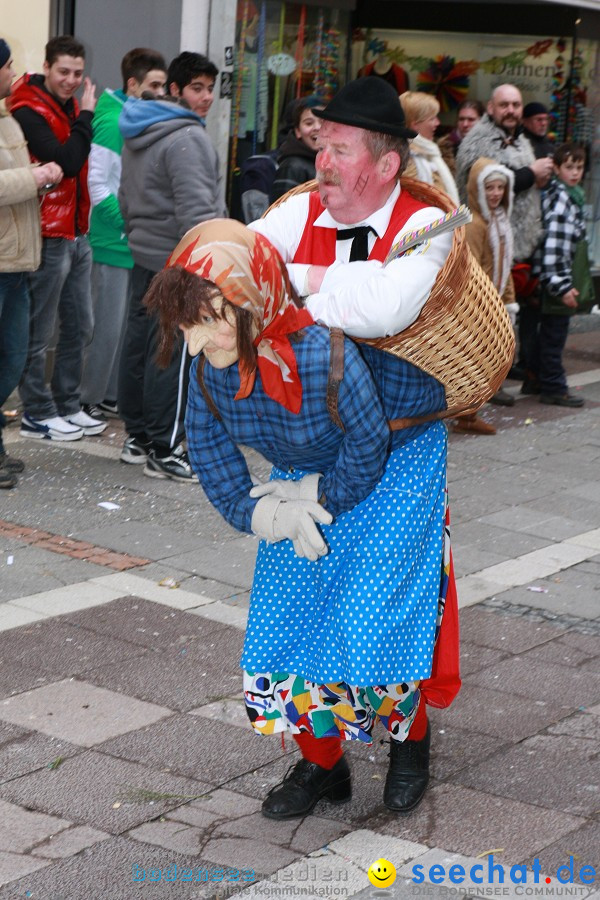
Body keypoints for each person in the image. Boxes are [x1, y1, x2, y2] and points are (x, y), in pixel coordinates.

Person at [145, 217, 460, 822]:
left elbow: (368, 442)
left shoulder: (319, 351)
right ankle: (324, 764)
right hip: (302, 482)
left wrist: (321, 496)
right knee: (288, 621)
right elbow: (213, 460)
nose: (193, 342)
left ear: (253, 300)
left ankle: (410, 744)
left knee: (371, 617)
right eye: (185, 325)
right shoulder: (207, 367)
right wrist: (269, 515)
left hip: (390, 463)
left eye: (209, 319)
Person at [247, 77, 461, 817]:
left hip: (402, 451)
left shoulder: (431, 223)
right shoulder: (296, 210)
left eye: (339, 149)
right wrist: (317, 286)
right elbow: (243, 274)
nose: (324, 162)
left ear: (386, 162)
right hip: (308, 441)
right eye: (321, 144)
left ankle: (411, 744)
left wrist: (296, 292)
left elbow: (386, 305)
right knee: (298, 599)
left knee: (391, 603)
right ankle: (321, 764)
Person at [117, 52, 226, 481]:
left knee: (140, 345)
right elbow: (198, 213)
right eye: (196, 88)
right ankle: (165, 447)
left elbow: (125, 197)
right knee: (173, 353)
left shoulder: (140, 129)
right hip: (180, 261)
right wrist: (206, 264)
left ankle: (139, 436)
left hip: (145, 253)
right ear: (176, 90)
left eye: (210, 88)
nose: (206, 97)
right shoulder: (187, 138)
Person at [7, 35, 105, 441]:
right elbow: (64, 163)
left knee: (81, 325)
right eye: (63, 72)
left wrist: (79, 116)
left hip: (77, 230)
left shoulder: (65, 107)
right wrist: (86, 116)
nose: (70, 80)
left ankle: (67, 402)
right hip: (47, 233)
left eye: (78, 74)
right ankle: (36, 410)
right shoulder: (27, 108)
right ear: (46, 67)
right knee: (38, 329)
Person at [80, 47, 167, 423]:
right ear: (132, 84)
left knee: (121, 331)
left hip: (127, 242)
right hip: (111, 241)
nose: (161, 92)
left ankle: (108, 397)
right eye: (154, 85)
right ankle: (87, 399)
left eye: (164, 86)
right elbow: (98, 186)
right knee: (106, 329)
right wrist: (130, 224)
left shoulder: (132, 118)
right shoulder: (114, 122)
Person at [455, 84, 554, 393]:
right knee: (482, 313)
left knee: (516, 313)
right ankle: (477, 384)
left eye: (516, 104)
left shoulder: (521, 139)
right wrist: (531, 171)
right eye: (504, 105)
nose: (511, 110)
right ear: (491, 108)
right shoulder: (478, 141)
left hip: (515, 240)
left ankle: (511, 370)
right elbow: (489, 180)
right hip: (486, 240)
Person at [0, 39, 63, 487]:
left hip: (19, 261)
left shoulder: (6, 118)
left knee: (12, 357)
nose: (13, 72)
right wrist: (36, 176)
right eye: (8, 65)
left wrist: (39, 183)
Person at [454, 159, 517, 434]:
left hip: (495, 301)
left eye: (500, 187)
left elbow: (506, 264)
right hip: (477, 306)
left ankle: (468, 414)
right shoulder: (475, 223)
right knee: (472, 363)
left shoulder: (500, 221)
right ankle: (466, 417)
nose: (495, 193)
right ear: (477, 189)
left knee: (481, 362)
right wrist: (483, 306)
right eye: (489, 187)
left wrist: (510, 300)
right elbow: (471, 270)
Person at [531, 143, 594, 407]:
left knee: (547, 334)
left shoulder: (572, 196)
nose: (575, 172)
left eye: (579, 167)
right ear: (556, 168)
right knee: (554, 336)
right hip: (557, 281)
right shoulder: (561, 201)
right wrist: (562, 286)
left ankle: (535, 379)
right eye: (569, 167)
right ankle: (554, 388)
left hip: (558, 279)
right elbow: (555, 250)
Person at [399, 91, 459, 203]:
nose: (438, 123)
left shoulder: (427, 153)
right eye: (432, 119)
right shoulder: (409, 160)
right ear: (415, 124)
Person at [269, 97, 323, 203]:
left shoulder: (328, 162)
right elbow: (282, 211)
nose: (317, 127)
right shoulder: (292, 166)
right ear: (298, 131)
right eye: (309, 123)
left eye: (323, 122)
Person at [437, 99, 484, 175]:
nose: (465, 124)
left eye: (471, 120)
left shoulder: (491, 147)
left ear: (482, 121)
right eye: (461, 119)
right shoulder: (443, 147)